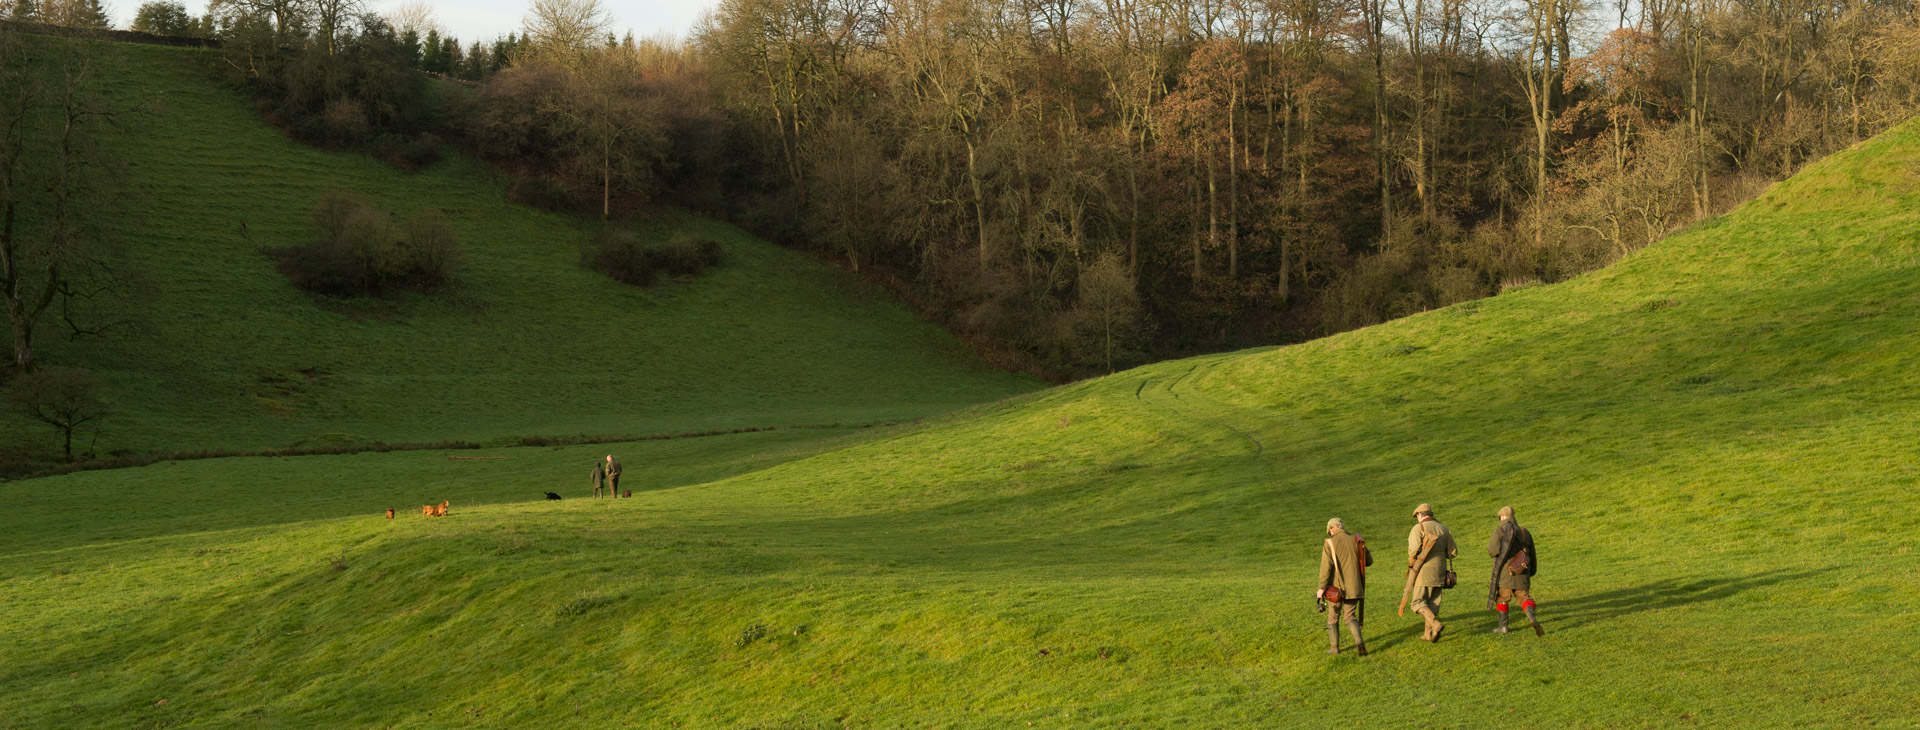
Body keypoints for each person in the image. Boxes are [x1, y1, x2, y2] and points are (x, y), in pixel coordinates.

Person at [1316, 517, 1373, 656]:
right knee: (1350, 616)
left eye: (1329, 532)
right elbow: (1369, 561)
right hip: (1355, 588)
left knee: (1333, 617)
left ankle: (1334, 649)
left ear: (1332, 529)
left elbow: (1325, 568)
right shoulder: (1356, 541)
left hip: (1336, 590)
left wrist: (1321, 588)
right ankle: (1360, 645)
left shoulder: (1329, 542)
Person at [1403, 503, 1457, 642]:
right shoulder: (1444, 529)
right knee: (1432, 604)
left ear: (1420, 515)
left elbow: (1414, 550)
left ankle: (1435, 624)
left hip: (1423, 572)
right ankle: (1429, 635)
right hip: (1440, 572)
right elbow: (1453, 552)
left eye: (1417, 516)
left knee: (1417, 602)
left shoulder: (1418, 528)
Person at [1486, 505, 1543, 636]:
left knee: (1502, 598)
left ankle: (1503, 627)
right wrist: (1531, 571)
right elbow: (1532, 554)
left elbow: (1492, 551)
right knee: (1524, 597)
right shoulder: (1524, 532)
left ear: (1502, 517)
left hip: (1505, 572)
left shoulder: (1499, 531)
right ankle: (1531, 617)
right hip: (1523, 571)